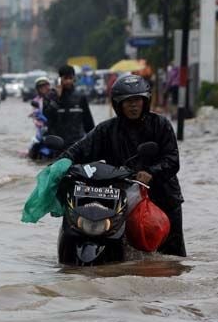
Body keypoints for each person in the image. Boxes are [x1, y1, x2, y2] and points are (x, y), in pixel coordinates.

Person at [60, 74, 186, 257]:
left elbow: (173, 160)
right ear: (118, 105)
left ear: (145, 101)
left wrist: (151, 172)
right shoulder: (107, 130)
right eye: (127, 102)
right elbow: (81, 149)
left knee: (171, 256)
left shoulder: (161, 125)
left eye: (137, 100)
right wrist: (61, 163)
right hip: (121, 197)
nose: (133, 105)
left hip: (162, 197)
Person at [43, 65, 95, 149]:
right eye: (65, 78)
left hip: (77, 143)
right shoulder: (50, 96)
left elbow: (88, 121)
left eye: (70, 78)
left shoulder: (80, 97)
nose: (68, 81)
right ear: (60, 79)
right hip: (58, 144)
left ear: (74, 78)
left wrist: (93, 140)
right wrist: (57, 98)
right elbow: (47, 114)